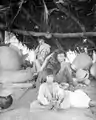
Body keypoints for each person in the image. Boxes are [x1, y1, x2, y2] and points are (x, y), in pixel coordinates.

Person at [30, 68, 96, 111]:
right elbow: (39, 99)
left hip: (69, 97)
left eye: (52, 77)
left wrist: (58, 101)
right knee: (86, 101)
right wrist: (48, 105)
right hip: (67, 100)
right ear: (45, 77)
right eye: (49, 77)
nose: (51, 78)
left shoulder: (55, 84)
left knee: (88, 102)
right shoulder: (43, 87)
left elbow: (61, 92)